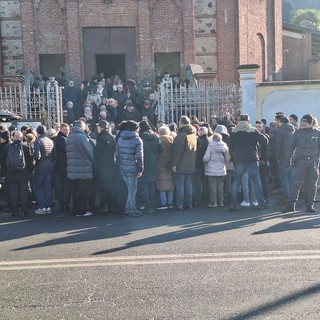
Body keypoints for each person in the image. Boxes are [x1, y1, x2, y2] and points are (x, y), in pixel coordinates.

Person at [228, 114, 269, 211]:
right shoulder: (253, 130)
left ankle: (233, 204)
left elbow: (231, 147)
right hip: (252, 159)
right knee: (256, 181)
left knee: (237, 181)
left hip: (239, 160)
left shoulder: (234, 131)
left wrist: (235, 157)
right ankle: (261, 203)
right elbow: (265, 141)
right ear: (248, 121)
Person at [283, 114, 320, 213]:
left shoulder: (317, 133)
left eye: (305, 121)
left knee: (312, 184)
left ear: (311, 122)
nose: (303, 123)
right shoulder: (297, 133)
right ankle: (291, 205)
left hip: (313, 161)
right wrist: (288, 159)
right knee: (296, 184)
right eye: (302, 121)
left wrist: (317, 160)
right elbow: (291, 147)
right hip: (300, 161)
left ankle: (310, 205)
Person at [0, 131, 33, 217]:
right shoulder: (26, 147)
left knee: (13, 192)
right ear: (22, 138)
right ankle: (24, 210)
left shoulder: (7, 148)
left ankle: (14, 211)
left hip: (10, 173)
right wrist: (29, 172)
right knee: (23, 192)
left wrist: (4, 173)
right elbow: (30, 162)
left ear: (13, 137)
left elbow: (2, 161)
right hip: (23, 173)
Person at [66, 120, 94, 216]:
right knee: (83, 192)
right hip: (83, 168)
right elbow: (89, 152)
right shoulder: (82, 137)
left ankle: (75, 210)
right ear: (82, 127)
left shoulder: (69, 137)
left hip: (72, 169)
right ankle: (82, 211)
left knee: (75, 192)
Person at [116, 120, 143, 217]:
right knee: (132, 189)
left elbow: (117, 154)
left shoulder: (120, 138)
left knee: (129, 188)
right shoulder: (137, 140)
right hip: (132, 167)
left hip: (123, 167)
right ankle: (130, 209)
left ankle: (132, 208)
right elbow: (140, 156)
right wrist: (140, 169)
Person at [171, 116, 197, 210]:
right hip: (190, 163)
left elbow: (177, 152)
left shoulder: (181, 135)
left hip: (181, 164)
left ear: (181, 123)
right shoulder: (193, 135)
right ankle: (189, 203)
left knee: (180, 184)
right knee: (188, 184)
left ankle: (180, 204)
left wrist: (174, 164)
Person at [138, 120, 162, 214]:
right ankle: (152, 204)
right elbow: (161, 149)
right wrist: (155, 156)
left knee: (143, 184)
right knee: (151, 184)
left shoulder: (140, 137)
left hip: (143, 161)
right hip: (153, 161)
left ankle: (147, 205)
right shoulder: (156, 136)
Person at [93, 120, 117, 213]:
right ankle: (113, 205)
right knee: (111, 186)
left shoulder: (100, 137)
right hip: (111, 163)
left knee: (103, 187)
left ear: (100, 127)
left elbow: (97, 152)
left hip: (102, 165)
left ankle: (105, 206)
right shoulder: (112, 137)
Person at [203, 132, 230, 207]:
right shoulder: (225, 147)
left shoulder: (210, 146)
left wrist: (204, 161)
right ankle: (220, 201)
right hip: (221, 168)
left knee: (212, 186)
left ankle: (213, 202)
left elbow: (206, 158)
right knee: (220, 185)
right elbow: (228, 159)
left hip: (211, 169)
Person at [33, 125, 54, 214]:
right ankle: (48, 206)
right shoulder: (50, 141)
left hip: (40, 166)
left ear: (37, 132)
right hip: (50, 166)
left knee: (37, 186)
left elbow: (37, 156)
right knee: (48, 187)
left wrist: (33, 159)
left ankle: (42, 206)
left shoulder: (38, 141)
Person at [275, 116, 294, 205]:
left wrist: (277, 157)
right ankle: (291, 195)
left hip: (283, 157)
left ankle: (286, 196)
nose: (276, 122)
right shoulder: (293, 130)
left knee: (284, 177)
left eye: (276, 120)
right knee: (290, 177)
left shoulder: (280, 131)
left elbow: (277, 145)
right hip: (292, 157)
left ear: (280, 121)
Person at [53, 123, 70, 211]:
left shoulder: (57, 139)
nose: (67, 132)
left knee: (60, 186)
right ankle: (65, 204)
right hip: (64, 166)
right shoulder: (63, 140)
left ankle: (62, 203)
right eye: (65, 130)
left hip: (59, 166)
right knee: (65, 186)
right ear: (61, 130)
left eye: (68, 130)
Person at [156, 126, 174, 210]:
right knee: (170, 184)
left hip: (161, 164)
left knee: (162, 184)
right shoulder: (172, 140)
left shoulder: (159, 141)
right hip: (169, 165)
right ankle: (171, 202)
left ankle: (164, 203)